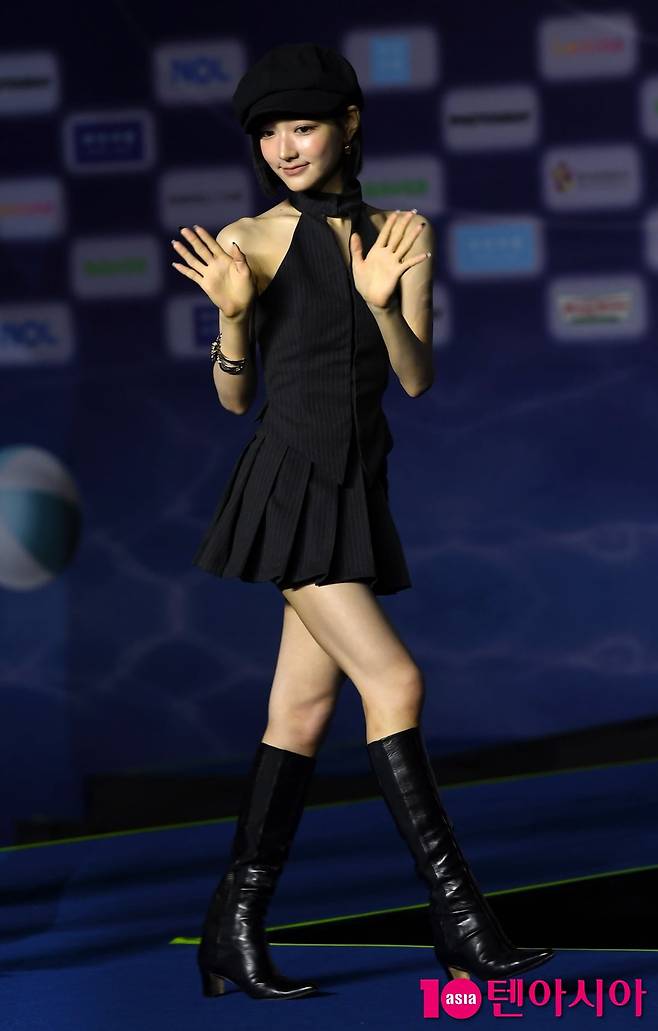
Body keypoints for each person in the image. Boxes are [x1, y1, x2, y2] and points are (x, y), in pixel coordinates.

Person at [171, 41, 555, 1001]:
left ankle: (229, 931)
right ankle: (462, 919)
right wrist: (231, 319)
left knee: (301, 712)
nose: (284, 148)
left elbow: (415, 377)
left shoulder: (400, 234)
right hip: (288, 486)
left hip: (358, 486)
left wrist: (382, 302)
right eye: (268, 132)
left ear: (348, 125)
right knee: (396, 679)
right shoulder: (251, 239)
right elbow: (234, 400)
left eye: (302, 126)